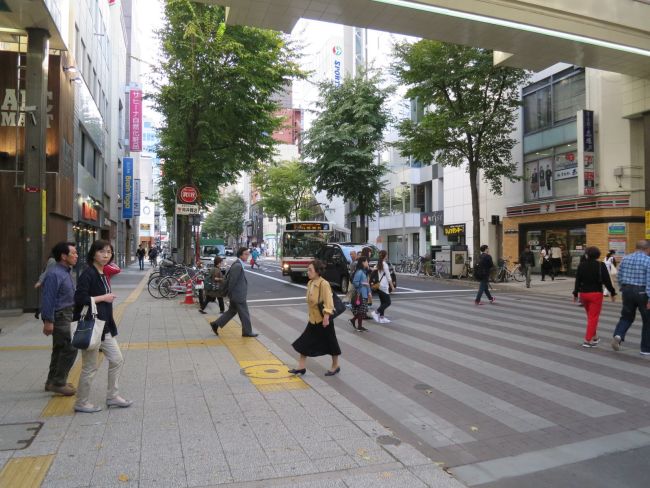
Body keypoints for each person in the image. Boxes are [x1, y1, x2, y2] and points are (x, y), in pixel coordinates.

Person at [73, 240, 132, 413]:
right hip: (92, 326)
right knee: (90, 367)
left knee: (117, 359)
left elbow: (115, 270)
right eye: (102, 252)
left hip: (104, 326)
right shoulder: (88, 274)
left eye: (109, 252)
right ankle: (81, 402)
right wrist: (102, 298)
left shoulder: (102, 272)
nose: (106, 255)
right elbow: (79, 298)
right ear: (93, 253)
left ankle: (112, 396)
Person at [288, 260, 341, 376]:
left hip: (323, 320)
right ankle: (301, 367)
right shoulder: (310, 283)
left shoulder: (324, 284)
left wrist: (327, 317)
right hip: (313, 319)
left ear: (317, 271)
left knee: (331, 343)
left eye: (310, 270)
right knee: (304, 342)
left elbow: (329, 302)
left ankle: (335, 365)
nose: (308, 272)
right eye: (308, 270)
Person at [40, 242, 79, 396]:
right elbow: (48, 298)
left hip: (67, 314)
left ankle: (51, 381)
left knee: (59, 349)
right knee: (70, 348)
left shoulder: (65, 271)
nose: (76, 256)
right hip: (61, 315)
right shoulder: (55, 273)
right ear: (63, 256)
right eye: (73, 253)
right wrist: (48, 321)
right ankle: (59, 382)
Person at [611, 240, 650, 355]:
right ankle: (645, 349)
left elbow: (619, 275)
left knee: (626, 316)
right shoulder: (648, 261)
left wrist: (622, 288)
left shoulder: (625, 258)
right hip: (642, 292)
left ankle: (618, 335)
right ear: (647, 249)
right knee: (647, 320)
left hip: (627, 290)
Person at [572, 246, 616, 348]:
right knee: (593, 317)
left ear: (587, 254)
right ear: (598, 255)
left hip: (584, 294)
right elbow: (607, 281)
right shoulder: (601, 265)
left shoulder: (581, 265)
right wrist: (613, 293)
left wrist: (575, 293)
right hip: (596, 294)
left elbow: (578, 280)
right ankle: (588, 340)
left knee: (591, 317)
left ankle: (595, 337)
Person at [209, 247, 258, 337]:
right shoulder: (238, 266)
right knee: (244, 313)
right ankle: (247, 332)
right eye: (246, 254)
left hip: (236, 295)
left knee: (231, 312)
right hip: (238, 296)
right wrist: (229, 294)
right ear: (240, 255)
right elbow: (232, 281)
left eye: (248, 254)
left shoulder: (238, 264)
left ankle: (215, 324)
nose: (248, 256)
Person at [371, 250, 395, 323]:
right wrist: (392, 286)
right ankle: (376, 312)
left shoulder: (379, 263)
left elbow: (374, 269)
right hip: (384, 286)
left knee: (383, 302)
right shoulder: (384, 264)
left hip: (378, 285)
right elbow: (388, 277)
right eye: (387, 255)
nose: (387, 256)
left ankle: (381, 317)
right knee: (388, 302)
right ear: (385, 256)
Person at [349, 256, 370, 331]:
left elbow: (366, 283)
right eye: (366, 261)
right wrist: (363, 283)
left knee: (362, 311)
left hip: (363, 294)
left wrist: (369, 292)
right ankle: (358, 325)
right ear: (363, 262)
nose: (368, 263)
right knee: (361, 311)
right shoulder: (360, 272)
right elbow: (355, 283)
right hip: (360, 294)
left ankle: (355, 322)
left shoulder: (363, 271)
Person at [34, 254, 57, 319]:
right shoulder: (52, 260)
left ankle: (39, 311)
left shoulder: (51, 261)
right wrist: (40, 281)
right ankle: (40, 312)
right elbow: (46, 272)